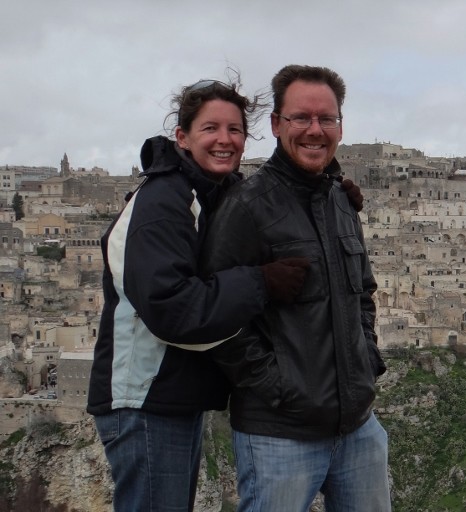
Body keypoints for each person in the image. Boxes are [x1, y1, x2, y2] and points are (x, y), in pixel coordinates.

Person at [86, 77, 319, 512]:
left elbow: (271, 200)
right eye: (210, 128)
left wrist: (331, 192)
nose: (224, 140)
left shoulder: (208, 194)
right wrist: (261, 282)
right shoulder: (163, 202)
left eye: (234, 130)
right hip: (144, 398)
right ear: (182, 137)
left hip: (171, 394)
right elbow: (172, 308)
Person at [201, 64, 390, 511]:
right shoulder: (246, 207)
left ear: (340, 126)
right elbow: (216, 313)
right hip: (278, 435)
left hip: (358, 428)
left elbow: (362, 293)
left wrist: (367, 359)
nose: (314, 130)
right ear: (275, 125)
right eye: (301, 118)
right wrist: (277, 387)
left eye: (326, 119)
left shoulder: (342, 201)